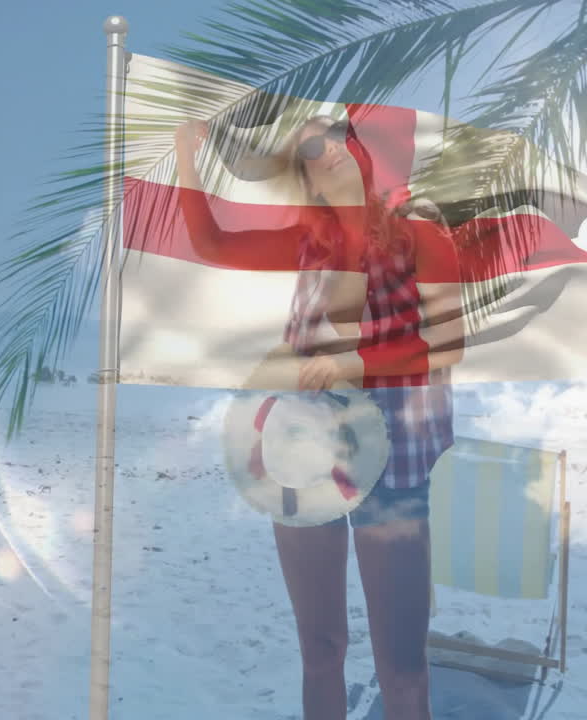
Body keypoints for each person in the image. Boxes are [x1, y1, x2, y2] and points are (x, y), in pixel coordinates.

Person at [174, 113, 465, 720]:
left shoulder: (421, 228)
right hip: (305, 450)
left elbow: (449, 345)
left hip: (396, 458)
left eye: (341, 136)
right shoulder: (311, 243)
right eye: (312, 145)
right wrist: (185, 157)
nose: (330, 148)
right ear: (303, 172)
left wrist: (351, 363)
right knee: (320, 648)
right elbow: (213, 244)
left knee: (403, 666)